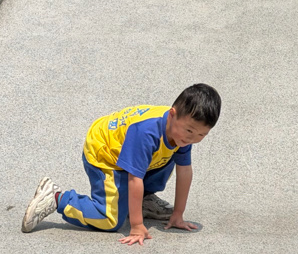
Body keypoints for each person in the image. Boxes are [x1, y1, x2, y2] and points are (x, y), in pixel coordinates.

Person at [21, 83, 221, 244]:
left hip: (130, 151)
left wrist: (178, 214)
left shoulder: (181, 132)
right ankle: (56, 198)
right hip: (105, 154)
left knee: (169, 154)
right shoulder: (146, 133)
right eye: (190, 131)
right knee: (110, 220)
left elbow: (184, 170)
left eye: (202, 135)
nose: (193, 138)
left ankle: (143, 200)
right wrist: (137, 225)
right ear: (172, 114)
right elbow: (135, 178)